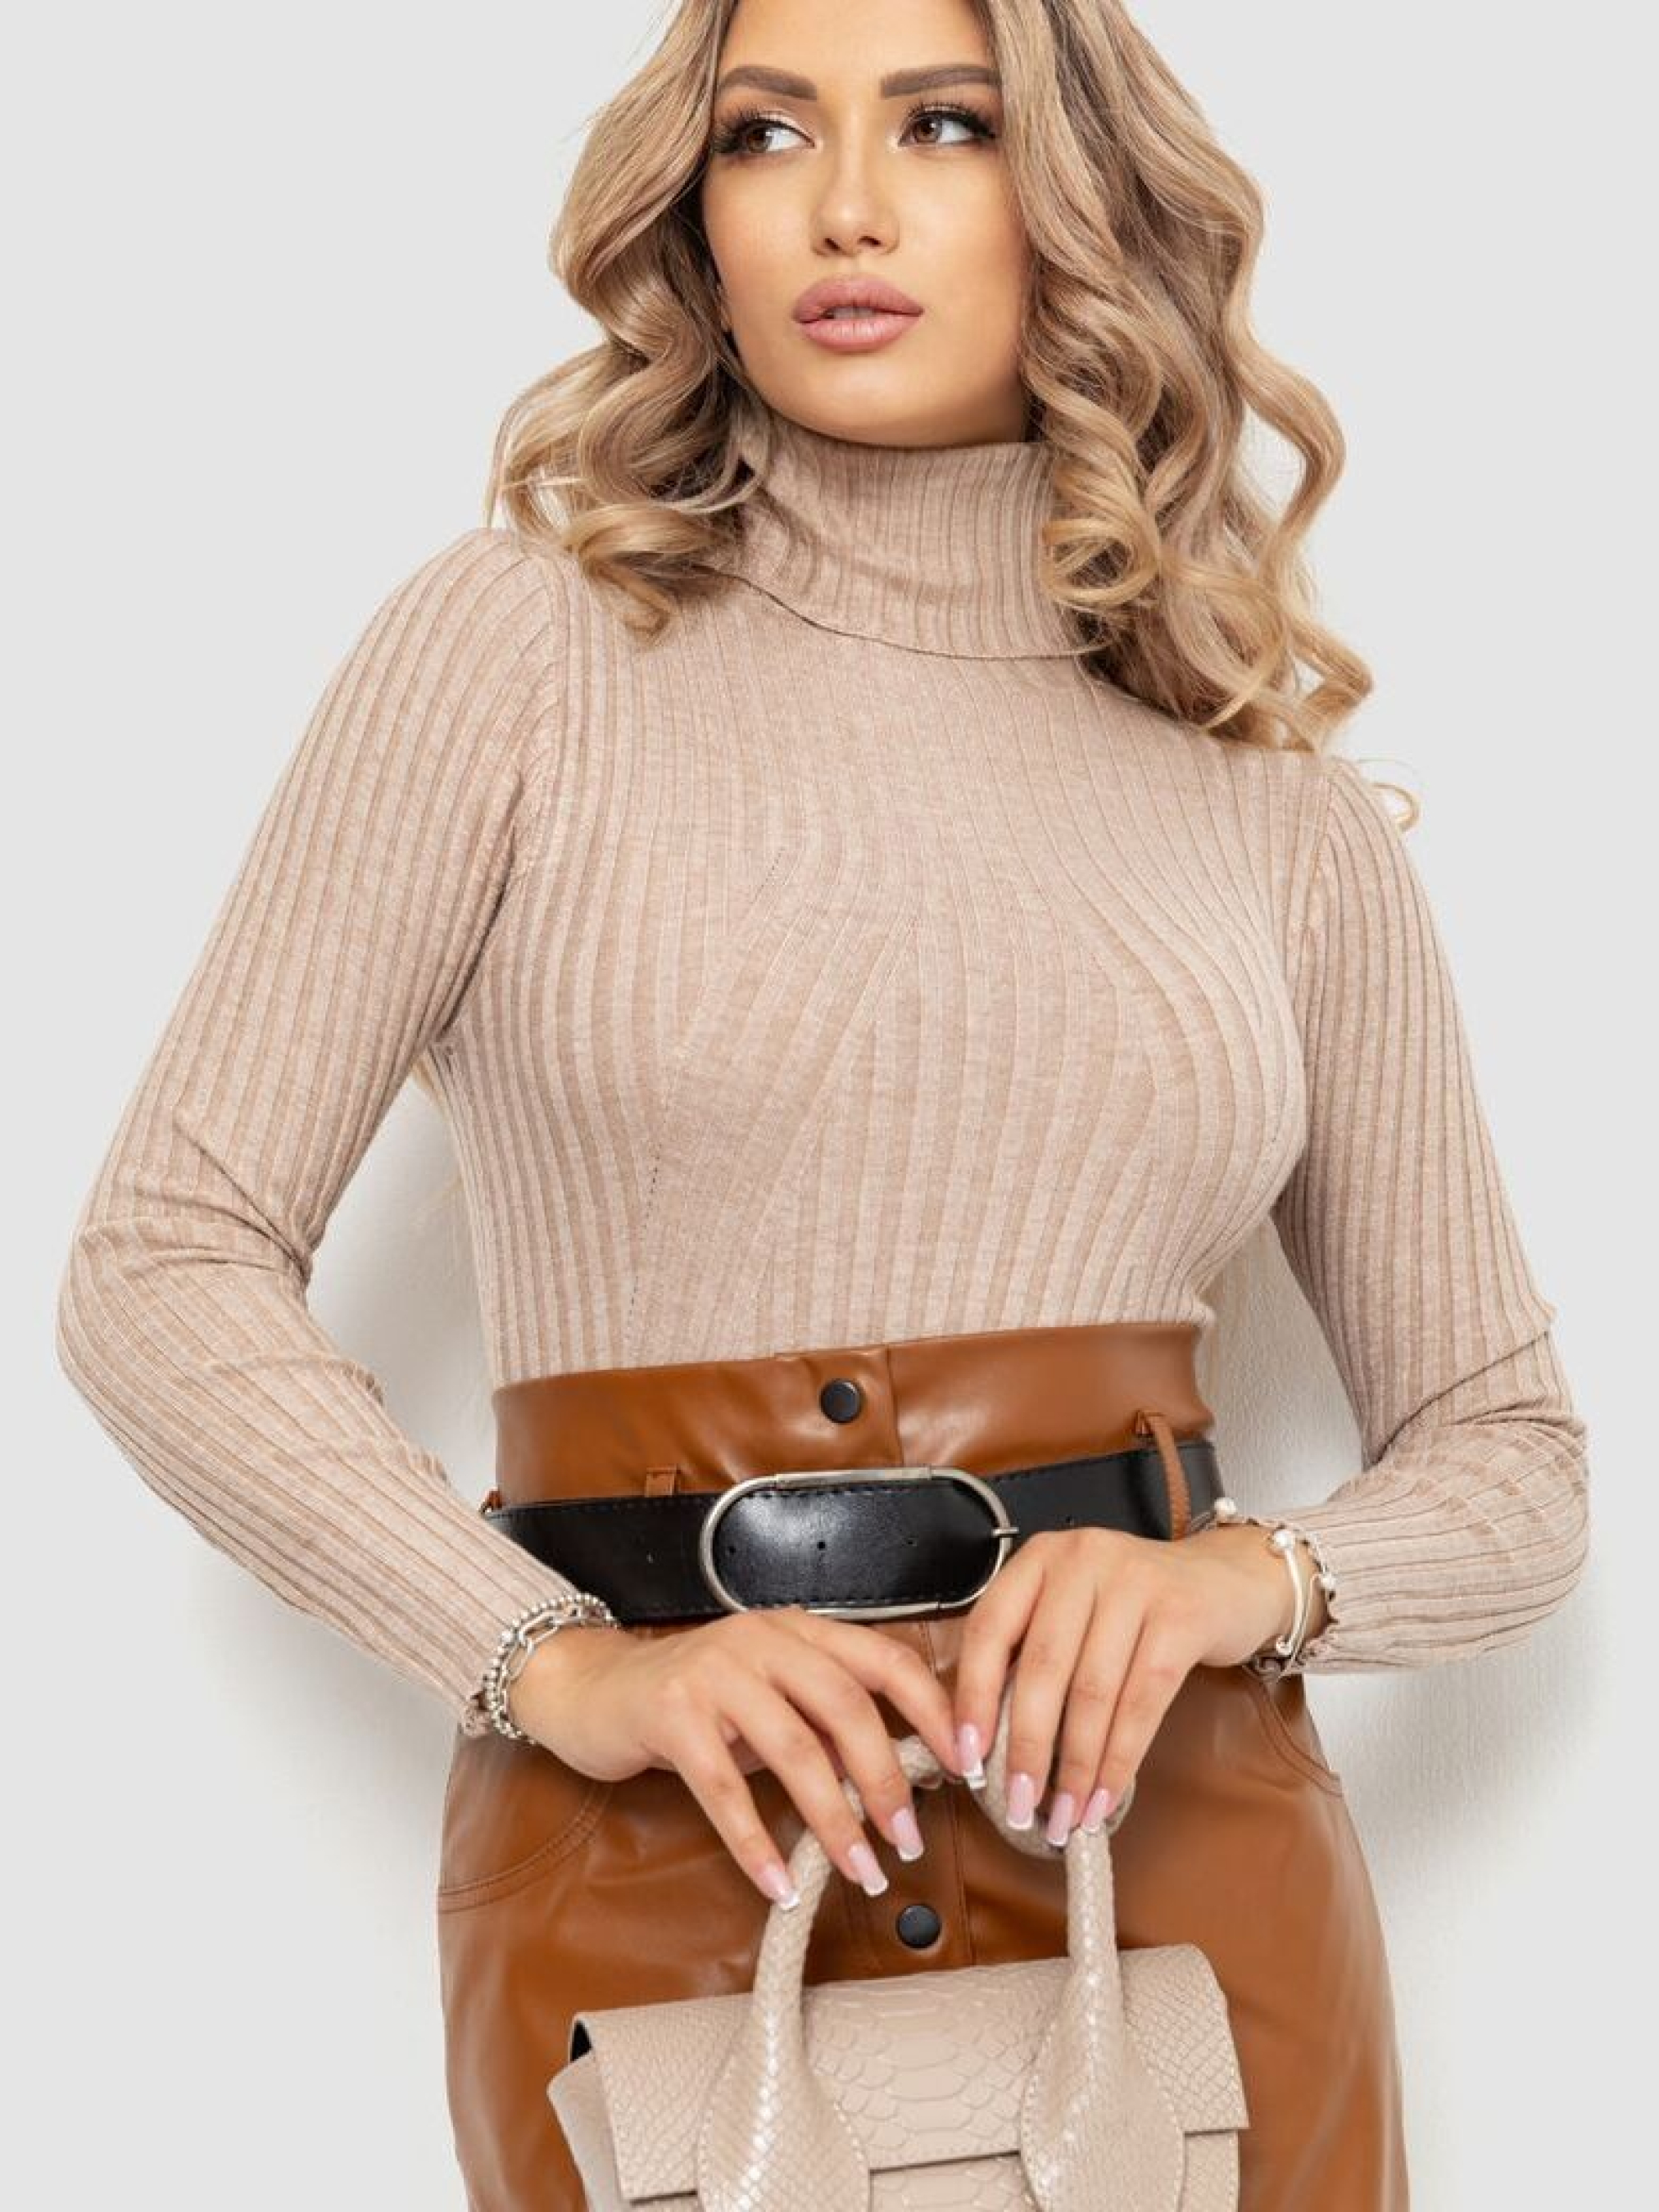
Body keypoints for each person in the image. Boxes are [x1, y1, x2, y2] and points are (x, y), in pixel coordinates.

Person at [55, 2, 1590, 2207]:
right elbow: (159, 1263)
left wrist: (1239, 1581)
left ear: (1077, 195)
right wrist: (551, 1663)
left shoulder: (1268, 795)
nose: (845, 207)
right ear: (694, 209)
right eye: (766, 134)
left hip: (1175, 1885)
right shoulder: (512, 655)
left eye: (943, 126)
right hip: (661, 1875)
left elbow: (1510, 1456)